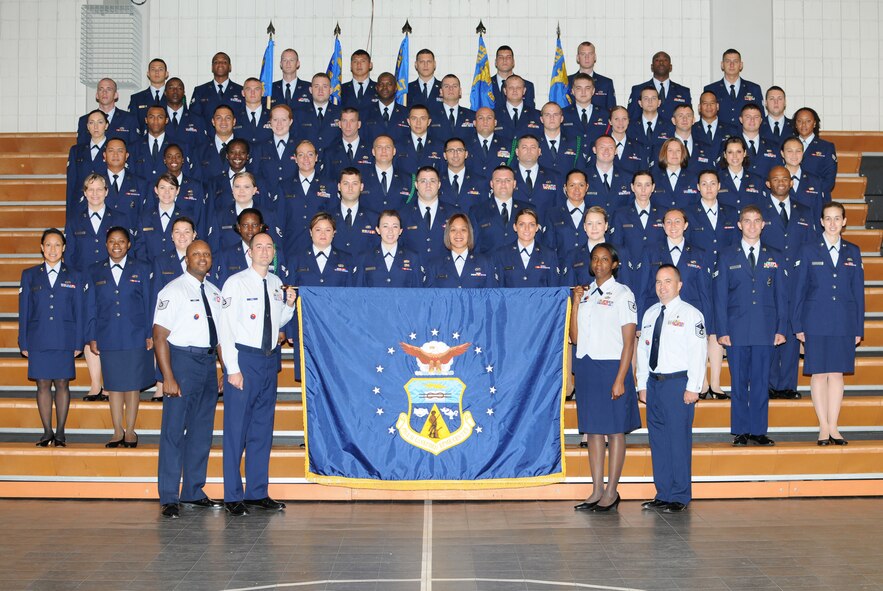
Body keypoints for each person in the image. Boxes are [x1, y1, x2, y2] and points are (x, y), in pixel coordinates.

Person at [219, 232, 297, 516]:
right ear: (249, 252)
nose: (264, 251)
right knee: (236, 432)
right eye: (259, 247)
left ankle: (257, 492)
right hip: (245, 360)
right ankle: (232, 495)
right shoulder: (235, 283)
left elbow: (278, 322)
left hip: (268, 361)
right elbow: (225, 329)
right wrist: (232, 368)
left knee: (262, 431)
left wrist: (288, 305)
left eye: (269, 247)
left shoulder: (276, 283)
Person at [153, 239, 225, 519]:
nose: (202, 258)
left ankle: (193, 491)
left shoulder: (216, 293)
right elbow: (159, 336)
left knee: (201, 432)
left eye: (207, 253)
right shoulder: (173, 290)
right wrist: (167, 376)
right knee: (173, 431)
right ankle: (169, 495)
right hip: (181, 363)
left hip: (207, 365)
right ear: (186, 258)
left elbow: (221, 336)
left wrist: (225, 368)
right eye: (196, 254)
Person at [571, 243, 639, 512]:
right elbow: (575, 338)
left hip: (612, 368)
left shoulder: (623, 294)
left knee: (615, 430)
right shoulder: (585, 294)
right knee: (594, 429)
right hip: (587, 367)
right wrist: (575, 304)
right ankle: (596, 488)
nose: (599, 263)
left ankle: (612, 490)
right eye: (595, 259)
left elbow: (629, 341)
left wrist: (621, 377)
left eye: (605, 259)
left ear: (614, 264)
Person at [713, 205, 787, 447]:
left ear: (763, 224)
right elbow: (720, 296)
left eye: (757, 221)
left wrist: (781, 328)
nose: (752, 225)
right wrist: (722, 330)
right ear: (739, 224)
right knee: (738, 382)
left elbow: (781, 295)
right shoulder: (727, 255)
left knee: (760, 381)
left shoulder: (774, 255)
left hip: (765, 329)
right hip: (736, 329)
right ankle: (741, 429)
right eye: (747, 221)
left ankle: (758, 430)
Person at [636, 264, 708, 513]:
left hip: (678, 385)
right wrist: (642, 383)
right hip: (654, 385)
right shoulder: (650, 314)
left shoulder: (691, 315)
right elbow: (643, 351)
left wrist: (694, 387)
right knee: (658, 441)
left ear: (679, 285)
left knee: (678, 441)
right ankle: (663, 492)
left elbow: (698, 352)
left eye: (668, 281)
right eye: (658, 282)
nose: (662, 287)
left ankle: (679, 495)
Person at [792, 202, 864, 445]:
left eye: (837, 218)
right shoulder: (808, 249)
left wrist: (858, 327)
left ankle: (834, 426)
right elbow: (799, 289)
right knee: (819, 374)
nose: (832, 223)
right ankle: (823, 427)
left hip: (843, 321)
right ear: (821, 221)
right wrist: (797, 324)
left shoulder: (853, 251)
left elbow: (858, 292)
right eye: (828, 218)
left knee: (837, 374)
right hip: (815, 321)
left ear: (844, 222)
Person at [87, 227, 154, 448]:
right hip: (108, 335)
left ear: (129, 244)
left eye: (122, 241)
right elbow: (91, 306)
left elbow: (149, 303)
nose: (117, 245)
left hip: (135, 335)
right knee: (114, 385)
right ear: (106, 244)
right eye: (112, 241)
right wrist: (92, 336)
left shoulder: (142, 268)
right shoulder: (95, 270)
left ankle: (131, 430)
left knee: (132, 386)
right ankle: (117, 430)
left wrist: (149, 333)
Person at [18, 229, 85, 447]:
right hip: (38, 338)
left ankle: (61, 432)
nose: (52, 249)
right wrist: (23, 341)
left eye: (57, 245)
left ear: (64, 248)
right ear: (41, 247)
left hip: (65, 338)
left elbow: (79, 311)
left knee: (63, 383)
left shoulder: (75, 275)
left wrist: (78, 341)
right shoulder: (29, 275)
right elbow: (24, 310)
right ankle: (47, 431)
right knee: (43, 384)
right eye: (48, 245)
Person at [760, 166, 817, 401]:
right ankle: (770, 383)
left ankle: (787, 384)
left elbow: (811, 246)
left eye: (785, 179)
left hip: (796, 280)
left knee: (793, 332)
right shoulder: (758, 211)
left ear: (791, 183)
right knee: (771, 329)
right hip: (768, 279)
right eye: (775, 179)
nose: (781, 182)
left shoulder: (805, 210)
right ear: (768, 184)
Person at [687, 170, 740, 399]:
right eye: (704, 183)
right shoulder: (689, 213)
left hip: (724, 279)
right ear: (698, 187)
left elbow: (736, 246)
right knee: (700, 329)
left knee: (718, 328)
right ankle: (702, 382)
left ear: (719, 186)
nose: (708, 188)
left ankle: (716, 384)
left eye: (713, 183)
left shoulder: (730, 213)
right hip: (698, 277)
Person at [470, 165, 533, 254]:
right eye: (498, 180)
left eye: (508, 180)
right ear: (492, 184)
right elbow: (474, 246)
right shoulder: (477, 211)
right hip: (489, 266)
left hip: (519, 266)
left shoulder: (528, 210)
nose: (503, 184)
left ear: (514, 184)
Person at [424, 213, 498, 288]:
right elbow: (429, 297)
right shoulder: (434, 266)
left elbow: (493, 296)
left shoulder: (485, 263)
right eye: (453, 230)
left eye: (463, 230)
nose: (458, 234)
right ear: (448, 234)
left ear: (469, 233)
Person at [494, 208, 559, 287]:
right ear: (515, 227)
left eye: (531, 224)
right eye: (522, 224)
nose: (527, 229)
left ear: (537, 227)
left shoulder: (549, 255)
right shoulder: (502, 254)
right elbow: (499, 290)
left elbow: (554, 290)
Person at [356, 210, 423, 287]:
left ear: (400, 231)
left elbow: (418, 292)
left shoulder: (413, 258)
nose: (390, 231)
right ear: (378, 230)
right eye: (385, 226)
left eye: (395, 226)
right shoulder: (364, 258)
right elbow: (358, 292)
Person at [703, 49, 765, 127]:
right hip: (719, 137)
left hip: (745, 137)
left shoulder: (754, 89)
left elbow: (761, 118)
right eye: (728, 61)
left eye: (735, 61)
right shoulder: (711, 89)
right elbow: (706, 119)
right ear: (722, 65)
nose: (731, 65)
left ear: (741, 65)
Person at [135, 173, 188, 263]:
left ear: (177, 190)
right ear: (156, 190)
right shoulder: (145, 217)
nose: (167, 192)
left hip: (178, 271)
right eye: (162, 188)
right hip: (150, 271)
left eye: (171, 188)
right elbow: (140, 248)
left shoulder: (186, 217)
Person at [627, 51, 692, 122]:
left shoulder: (683, 92)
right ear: (652, 67)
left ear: (670, 67)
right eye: (657, 60)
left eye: (665, 60)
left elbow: (689, 120)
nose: (661, 62)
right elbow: (632, 118)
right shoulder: (638, 90)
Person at [66, 109, 109, 211]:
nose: (95, 126)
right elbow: (71, 183)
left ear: (106, 125)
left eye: (100, 122)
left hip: (105, 202)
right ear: (87, 126)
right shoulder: (76, 151)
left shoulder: (113, 150)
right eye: (91, 122)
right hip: (81, 204)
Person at [76, 78, 139, 146]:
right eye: (101, 89)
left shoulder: (129, 119)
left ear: (115, 95)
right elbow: (81, 148)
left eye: (109, 89)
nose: (104, 92)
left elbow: (135, 147)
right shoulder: (84, 120)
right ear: (97, 95)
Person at [330, 167, 378, 255]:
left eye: (355, 184)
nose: (350, 188)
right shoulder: (327, 217)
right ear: (339, 186)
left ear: (361, 187)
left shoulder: (374, 219)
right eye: (346, 183)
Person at [189, 52, 243, 129]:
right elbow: (194, 117)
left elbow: (244, 117)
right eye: (216, 62)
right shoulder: (200, 91)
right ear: (212, 67)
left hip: (234, 138)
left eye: (224, 62)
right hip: (207, 139)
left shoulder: (240, 90)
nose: (220, 64)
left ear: (230, 67)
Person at [792, 107, 838, 194]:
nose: (804, 125)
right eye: (799, 121)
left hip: (816, 198)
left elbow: (829, 181)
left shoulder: (826, 147)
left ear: (814, 124)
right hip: (792, 198)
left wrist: (810, 193)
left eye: (808, 121)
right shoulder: (787, 145)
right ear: (795, 124)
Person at [782, 136, 828, 222]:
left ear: (803, 153)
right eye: (789, 151)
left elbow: (819, 212)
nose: (794, 155)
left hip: (808, 233)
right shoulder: (774, 180)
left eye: (798, 151)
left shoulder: (815, 181)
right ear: (782, 153)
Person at [321, 107, 373, 178]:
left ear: (359, 124)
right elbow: (326, 180)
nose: (348, 125)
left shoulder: (371, 151)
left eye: (352, 121)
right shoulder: (330, 152)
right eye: (344, 121)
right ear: (339, 124)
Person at [466, 107, 514, 183]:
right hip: (471, 191)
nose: (485, 121)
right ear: (474, 123)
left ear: (495, 122)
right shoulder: (464, 145)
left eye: (489, 118)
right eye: (481, 118)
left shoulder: (508, 145)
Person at [717, 136, 764, 211]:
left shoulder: (757, 180)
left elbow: (761, 207)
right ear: (725, 155)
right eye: (730, 152)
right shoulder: (717, 179)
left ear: (744, 153)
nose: (734, 156)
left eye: (738, 152)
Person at [362, 72, 410, 145]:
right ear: (376, 88)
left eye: (389, 84)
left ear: (395, 88)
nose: (385, 88)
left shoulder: (406, 113)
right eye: (381, 84)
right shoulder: (365, 113)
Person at [568, 41, 617, 111]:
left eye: (590, 54)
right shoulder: (566, 82)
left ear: (595, 57)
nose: (587, 57)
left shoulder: (606, 83)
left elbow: (612, 112)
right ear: (577, 58)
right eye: (583, 54)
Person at [651, 138, 698, 210]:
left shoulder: (694, 178)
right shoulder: (653, 178)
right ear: (664, 153)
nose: (674, 154)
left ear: (683, 153)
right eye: (670, 150)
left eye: (678, 151)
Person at [562, 74, 608, 148]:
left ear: (593, 91)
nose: (583, 92)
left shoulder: (604, 114)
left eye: (587, 88)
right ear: (573, 91)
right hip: (572, 158)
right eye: (579, 88)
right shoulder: (563, 114)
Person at [128, 58, 170, 135]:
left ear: (166, 74)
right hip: (144, 143)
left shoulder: (174, 98)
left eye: (160, 69)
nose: (157, 72)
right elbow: (132, 125)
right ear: (148, 73)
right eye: (153, 69)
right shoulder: (137, 98)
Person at [739, 104, 780, 180]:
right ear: (741, 119)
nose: (752, 120)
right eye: (748, 117)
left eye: (756, 117)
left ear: (761, 120)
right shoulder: (731, 145)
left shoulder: (774, 146)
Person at [431, 74, 476, 143]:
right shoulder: (431, 116)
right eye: (446, 86)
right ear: (441, 92)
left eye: (454, 86)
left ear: (460, 91)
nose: (451, 89)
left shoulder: (472, 116)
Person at [606, 105, 650, 174]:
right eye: (616, 119)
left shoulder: (639, 148)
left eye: (624, 119)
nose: (621, 123)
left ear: (628, 121)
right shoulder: (600, 145)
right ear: (610, 121)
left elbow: (644, 175)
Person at [693, 91, 737, 160]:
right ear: (699, 107)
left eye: (712, 103)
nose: (709, 106)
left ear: (717, 106)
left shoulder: (731, 130)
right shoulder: (692, 130)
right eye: (705, 103)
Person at [491, 45, 536, 110]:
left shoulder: (527, 85)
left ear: (513, 62)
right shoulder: (486, 85)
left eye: (508, 57)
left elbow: (530, 111)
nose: (504, 60)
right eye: (501, 57)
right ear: (496, 62)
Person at [407, 48, 443, 115]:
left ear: (434, 64)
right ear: (416, 65)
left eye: (429, 61)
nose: (425, 65)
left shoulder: (444, 88)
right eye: (422, 62)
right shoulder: (407, 89)